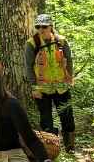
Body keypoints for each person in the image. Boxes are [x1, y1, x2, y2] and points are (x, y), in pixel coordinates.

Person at [25, 13, 76, 152]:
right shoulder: (32, 44)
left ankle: (70, 147)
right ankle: (51, 150)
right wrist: (34, 87)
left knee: (67, 116)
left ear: (51, 26)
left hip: (61, 86)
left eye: (44, 26)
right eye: (38, 27)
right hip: (42, 89)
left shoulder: (62, 41)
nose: (41, 29)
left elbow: (69, 60)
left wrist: (70, 78)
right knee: (46, 120)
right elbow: (28, 67)